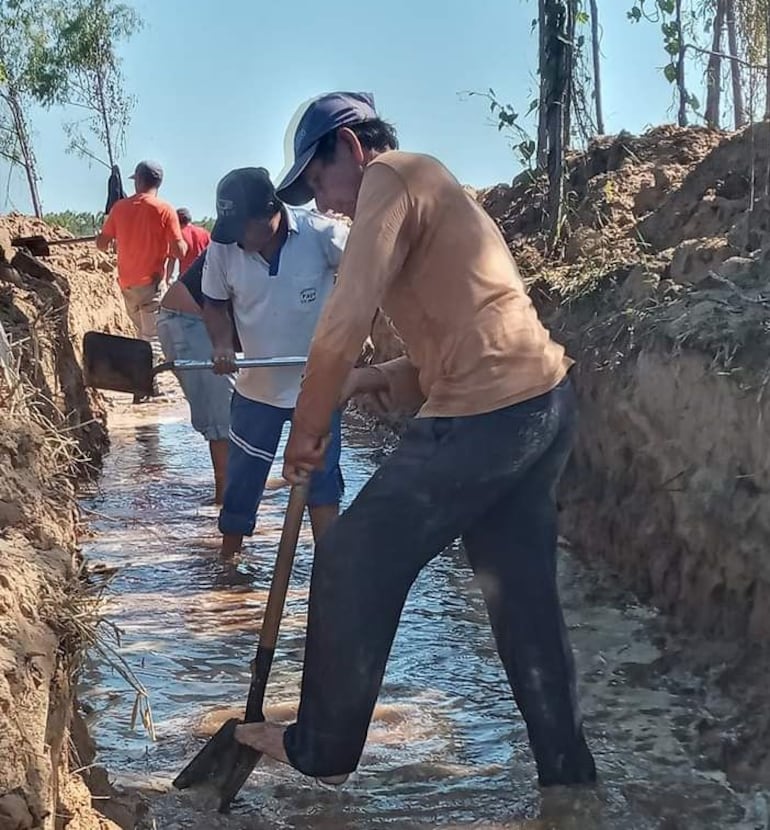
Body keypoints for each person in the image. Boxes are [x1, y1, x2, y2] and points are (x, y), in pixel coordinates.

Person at [234, 92, 597, 790]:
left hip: (487, 415)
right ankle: (570, 780)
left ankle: (322, 746)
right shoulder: (429, 192)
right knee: (523, 606)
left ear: (350, 145)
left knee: (351, 557)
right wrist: (358, 383)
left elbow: (344, 316)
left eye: (319, 181)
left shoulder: (389, 178)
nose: (325, 202)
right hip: (541, 406)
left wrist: (306, 428)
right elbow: (445, 355)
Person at [201, 167, 349, 557]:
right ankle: (228, 568)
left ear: (271, 214)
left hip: (316, 387)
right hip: (256, 391)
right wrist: (221, 345)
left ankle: (330, 570)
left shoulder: (322, 235)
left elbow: (365, 275)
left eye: (242, 229)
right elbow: (214, 304)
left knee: (321, 482)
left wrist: (355, 329)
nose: (236, 240)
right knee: (241, 485)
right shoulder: (223, 248)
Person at [156, 251, 233, 504]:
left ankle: (233, 495)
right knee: (223, 417)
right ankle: (225, 502)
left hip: (209, 319)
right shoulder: (237, 240)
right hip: (189, 320)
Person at [97, 160, 188, 343]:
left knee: (143, 334)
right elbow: (180, 252)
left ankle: (141, 369)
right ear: (158, 183)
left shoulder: (119, 208)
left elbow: (102, 245)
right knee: (153, 339)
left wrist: (104, 236)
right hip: (151, 285)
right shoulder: (164, 210)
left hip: (127, 286)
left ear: (138, 181)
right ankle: (153, 370)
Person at [166, 208, 211, 282]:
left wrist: (167, 280)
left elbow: (172, 260)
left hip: (186, 279)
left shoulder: (178, 236)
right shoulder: (205, 233)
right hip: (204, 278)